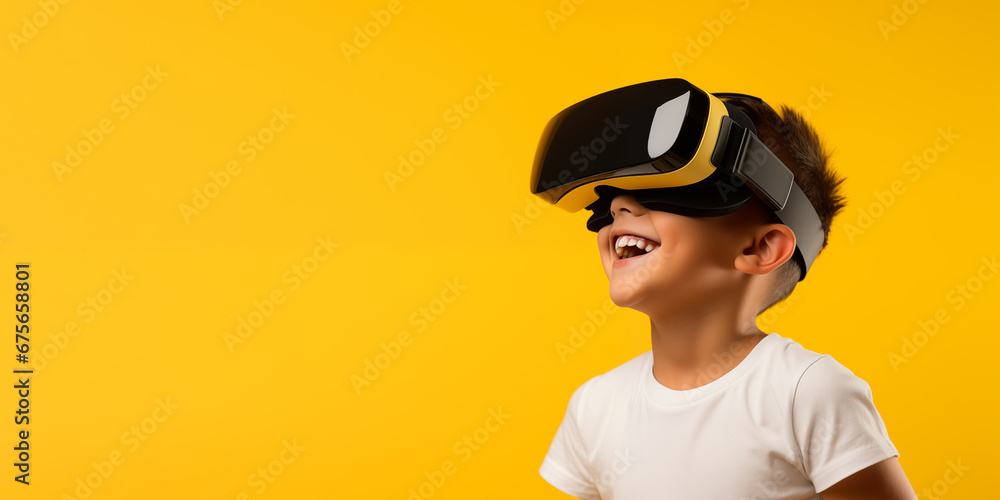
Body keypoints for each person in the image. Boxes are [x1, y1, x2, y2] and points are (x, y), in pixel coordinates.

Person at [535, 88, 917, 499]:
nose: (619, 208)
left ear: (760, 248)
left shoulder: (806, 393)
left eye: (665, 190)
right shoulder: (595, 406)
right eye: (607, 201)